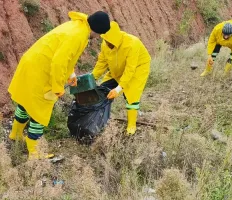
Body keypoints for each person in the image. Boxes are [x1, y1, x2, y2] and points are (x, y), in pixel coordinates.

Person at [8, 10, 111, 159]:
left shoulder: (77, 25)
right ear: (98, 31)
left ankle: (15, 134)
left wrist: (71, 74)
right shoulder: (79, 36)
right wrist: (57, 87)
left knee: (26, 102)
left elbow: (64, 56)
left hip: (32, 64)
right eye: (99, 34)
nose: (98, 38)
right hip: (41, 72)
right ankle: (34, 151)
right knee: (40, 112)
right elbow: (58, 63)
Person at [92, 21, 151, 135]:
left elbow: (130, 69)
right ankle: (100, 120)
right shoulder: (105, 44)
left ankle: (131, 126)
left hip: (138, 68)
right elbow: (101, 63)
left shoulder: (132, 43)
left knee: (131, 95)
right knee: (103, 90)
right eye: (105, 40)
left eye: (109, 41)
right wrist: (92, 77)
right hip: (117, 69)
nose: (106, 43)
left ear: (115, 39)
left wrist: (118, 89)